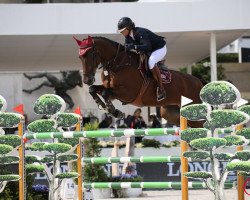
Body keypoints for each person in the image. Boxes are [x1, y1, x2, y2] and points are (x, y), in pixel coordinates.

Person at [117, 17, 167, 101]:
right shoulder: (128, 36)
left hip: (159, 49)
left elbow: (147, 46)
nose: (121, 32)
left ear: (129, 28)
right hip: (149, 51)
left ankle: (161, 89)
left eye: (123, 30)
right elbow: (127, 48)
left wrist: (133, 46)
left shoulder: (140, 32)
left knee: (151, 62)